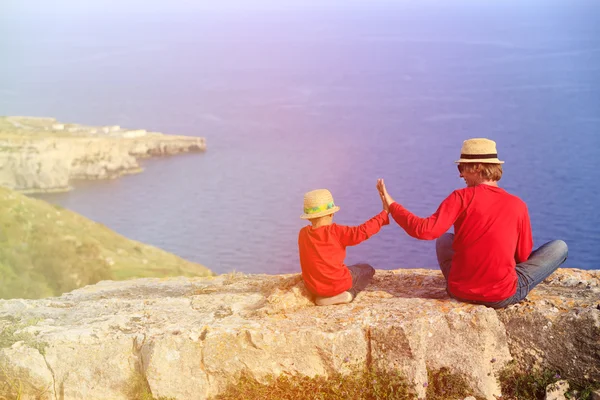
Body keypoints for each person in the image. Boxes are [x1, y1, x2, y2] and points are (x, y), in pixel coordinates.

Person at [377, 138, 568, 308]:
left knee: (444, 239)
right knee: (559, 247)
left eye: (462, 168)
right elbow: (523, 256)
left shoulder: (461, 197)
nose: (461, 175)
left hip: (459, 291)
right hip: (500, 296)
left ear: (477, 167)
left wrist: (392, 206)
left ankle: (468, 279)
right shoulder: (518, 205)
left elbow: (424, 231)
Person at [298, 188, 389, 306]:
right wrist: (384, 213)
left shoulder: (303, 234)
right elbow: (362, 231)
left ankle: (322, 298)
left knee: (352, 268)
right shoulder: (336, 232)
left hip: (315, 288)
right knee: (367, 269)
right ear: (331, 213)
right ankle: (348, 294)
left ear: (309, 217)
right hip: (337, 285)